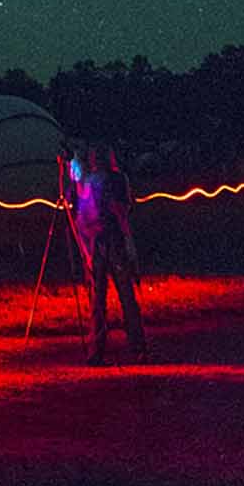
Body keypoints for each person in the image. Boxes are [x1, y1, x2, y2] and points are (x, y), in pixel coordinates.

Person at [59, 140, 146, 362]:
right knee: (124, 296)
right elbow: (122, 210)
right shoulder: (115, 179)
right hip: (112, 241)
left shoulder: (88, 181)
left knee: (99, 299)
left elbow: (78, 205)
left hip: (97, 244)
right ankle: (136, 349)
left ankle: (97, 351)